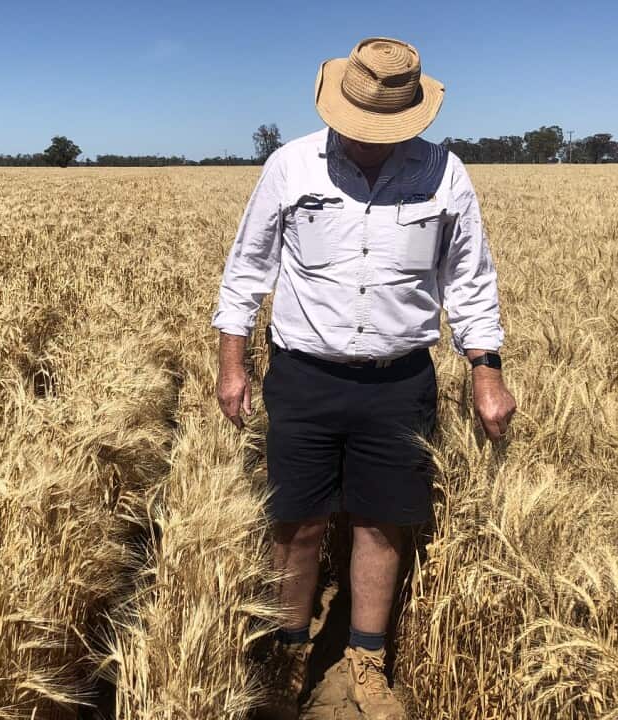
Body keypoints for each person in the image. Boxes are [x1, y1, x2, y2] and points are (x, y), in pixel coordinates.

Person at [211, 37, 516, 719]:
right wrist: (233, 364)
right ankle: (290, 654)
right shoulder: (291, 166)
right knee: (296, 522)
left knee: (384, 523)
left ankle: (366, 662)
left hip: (398, 380)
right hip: (303, 376)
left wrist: (485, 371)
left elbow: (470, 283)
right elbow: (246, 272)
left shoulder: (445, 174)